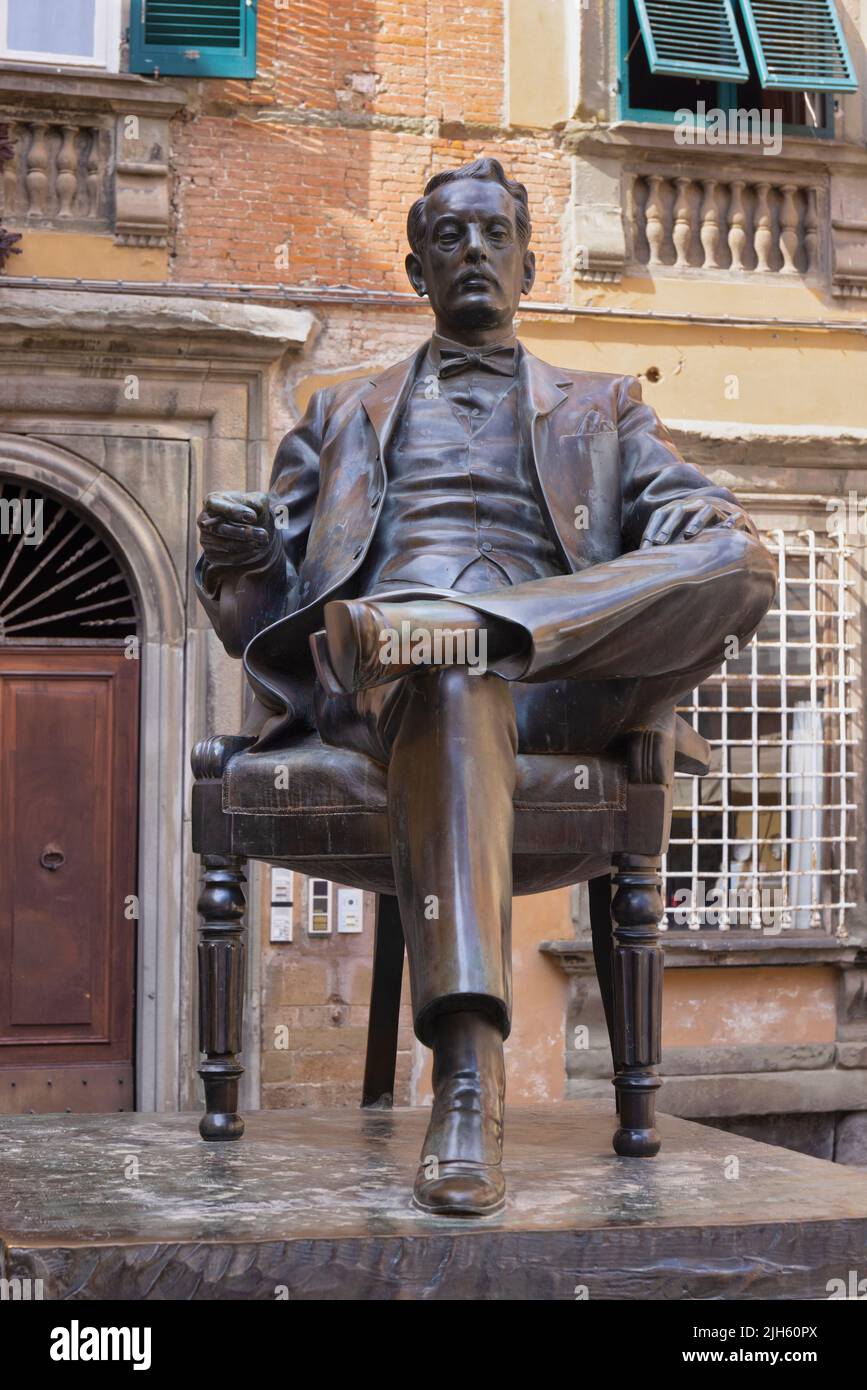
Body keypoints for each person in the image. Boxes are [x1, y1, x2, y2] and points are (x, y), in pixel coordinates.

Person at [196, 158, 776, 1216]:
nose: (474, 251)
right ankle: (469, 1080)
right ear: (418, 268)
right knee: (446, 679)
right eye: (450, 237)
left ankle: (475, 631)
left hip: (561, 686)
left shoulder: (607, 410)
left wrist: (667, 553)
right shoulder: (337, 413)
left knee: (744, 559)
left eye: (493, 235)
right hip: (383, 688)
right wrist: (234, 562)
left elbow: (712, 539)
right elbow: (262, 618)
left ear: (528, 260)